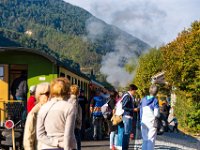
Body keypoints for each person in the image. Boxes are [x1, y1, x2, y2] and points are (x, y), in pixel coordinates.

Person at [37, 77, 77, 150]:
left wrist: (54, 143)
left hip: (45, 147)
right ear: (67, 91)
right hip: (63, 147)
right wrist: (62, 145)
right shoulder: (69, 107)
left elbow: (40, 135)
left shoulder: (43, 107)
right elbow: (68, 134)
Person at [23, 82, 50, 150]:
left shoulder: (52, 109)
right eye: (48, 93)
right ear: (39, 95)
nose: (51, 96)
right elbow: (28, 137)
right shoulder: (34, 113)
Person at [117, 84, 138, 150]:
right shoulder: (127, 96)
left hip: (127, 116)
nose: (135, 92)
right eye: (135, 91)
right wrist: (133, 109)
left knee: (126, 133)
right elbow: (124, 107)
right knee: (126, 133)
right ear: (131, 90)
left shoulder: (128, 95)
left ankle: (125, 147)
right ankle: (125, 148)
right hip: (127, 116)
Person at [140, 84, 159, 150]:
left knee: (145, 139)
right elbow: (156, 114)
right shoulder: (155, 100)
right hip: (152, 122)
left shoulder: (143, 99)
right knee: (151, 140)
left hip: (143, 121)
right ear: (156, 92)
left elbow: (141, 111)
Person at [68, 85, 82, 150]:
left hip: (73, 123)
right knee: (77, 141)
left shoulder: (72, 99)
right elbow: (74, 112)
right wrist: (79, 120)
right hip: (75, 124)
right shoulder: (74, 100)